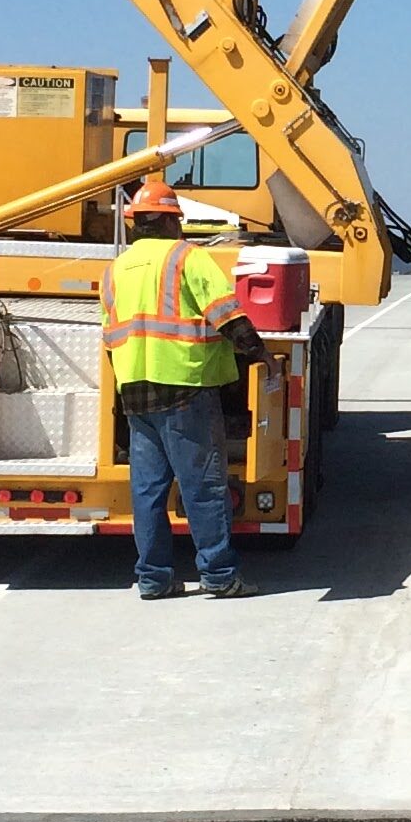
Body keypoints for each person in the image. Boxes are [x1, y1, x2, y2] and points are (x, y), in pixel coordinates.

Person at [102, 175, 250, 602]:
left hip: (135, 392)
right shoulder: (188, 257)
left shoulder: (115, 269)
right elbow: (228, 316)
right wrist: (260, 356)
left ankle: (153, 578)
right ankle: (219, 576)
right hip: (185, 388)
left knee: (147, 492)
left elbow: (110, 337)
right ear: (171, 222)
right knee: (202, 487)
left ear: (135, 224)